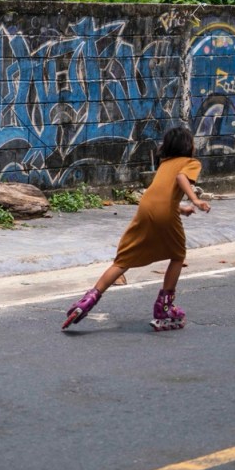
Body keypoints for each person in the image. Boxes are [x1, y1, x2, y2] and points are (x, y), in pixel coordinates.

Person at [62, 125, 211, 332]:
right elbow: (180, 178)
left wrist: (181, 208)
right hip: (165, 212)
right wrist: (195, 200)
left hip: (146, 207)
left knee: (123, 260)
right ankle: (164, 308)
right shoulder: (190, 163)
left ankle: (88, 300)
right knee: (178, 256)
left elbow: (160, 196)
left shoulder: (165, 163)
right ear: (188, 146)